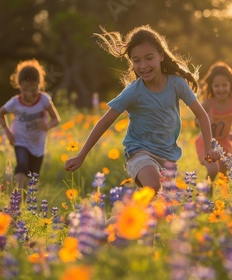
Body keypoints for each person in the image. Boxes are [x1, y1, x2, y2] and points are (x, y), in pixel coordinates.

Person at [64, 25, 219, 193]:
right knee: (153, 186)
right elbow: (105, 121)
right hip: (139, 152)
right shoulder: (133, 92)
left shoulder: (176, 83)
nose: (143, 65)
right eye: (136, 60)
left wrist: (208, 149)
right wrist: (81, 155)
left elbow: (202, 115)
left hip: (168, 156)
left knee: (163, 209)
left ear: (160, 55)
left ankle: (118, 219)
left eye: (148, 57)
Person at [0, 59, 60, 190]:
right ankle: (18, 193)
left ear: (40, 84)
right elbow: (0, 113)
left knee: (33, 175)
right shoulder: (15, 103)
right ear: (20, 87)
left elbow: (56, 119)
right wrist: (8, 133)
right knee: (22, 165)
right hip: (20, 140)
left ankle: (26, 198)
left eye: (35, 89)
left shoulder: (44, 99)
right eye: (27, 89)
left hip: (38, 143)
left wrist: (47, 126)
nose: (32, 93)